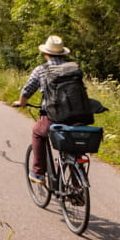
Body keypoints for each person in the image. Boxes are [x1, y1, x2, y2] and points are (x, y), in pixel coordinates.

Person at [11, 35, 72, 184]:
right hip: (77, 115)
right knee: (71, 145)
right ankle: (78, 185)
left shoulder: (42, 70)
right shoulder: (73, 69)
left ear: (45, 53)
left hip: (53, 115)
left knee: (38, 132)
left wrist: (22, 102)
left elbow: (27, 90)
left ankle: (38, 173)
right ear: (63, 54)